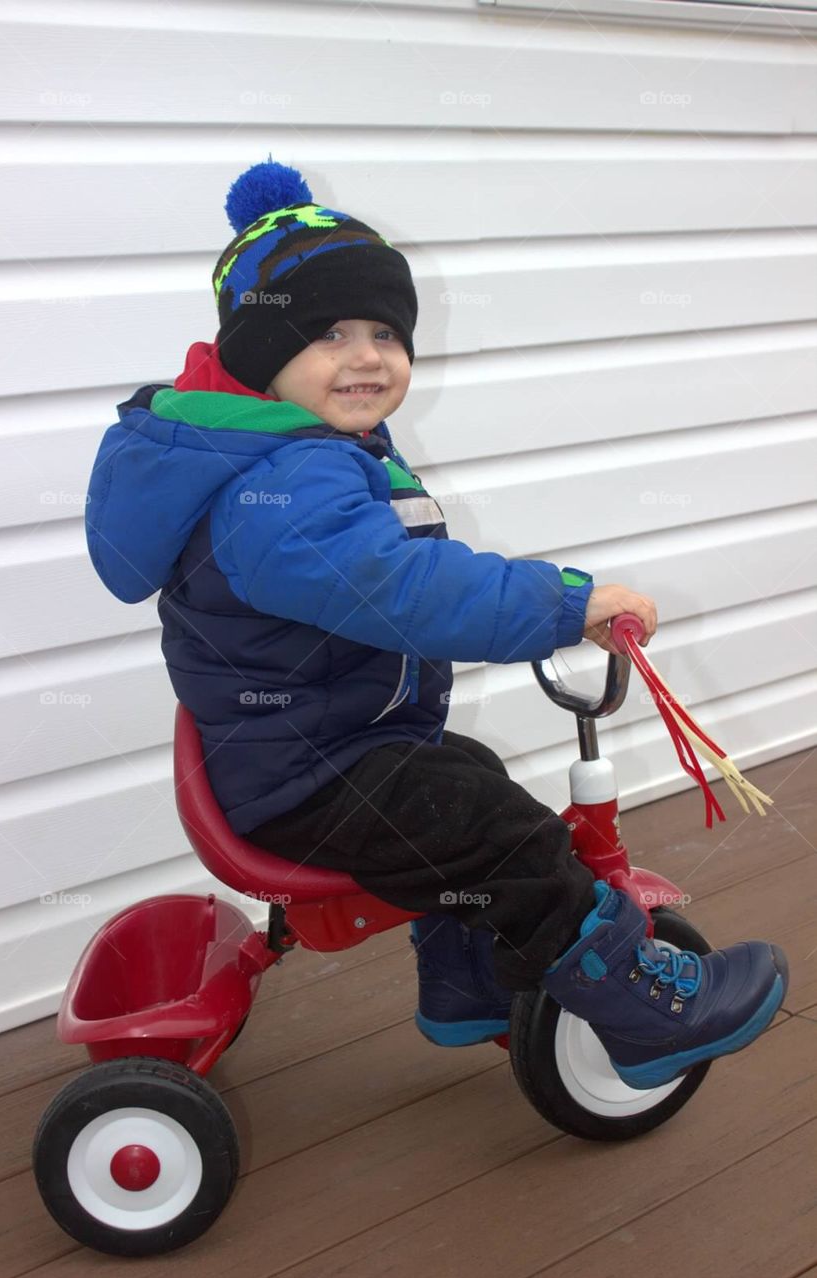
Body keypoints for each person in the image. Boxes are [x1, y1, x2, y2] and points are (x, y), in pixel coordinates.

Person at [85, 158, 787, 1090]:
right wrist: (563, 605)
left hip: (311, 747)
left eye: (386, 331)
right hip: (307, 776)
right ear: (258, 352)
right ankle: (643, 1012)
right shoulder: (281, 483)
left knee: (467, 777)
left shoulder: (288, 449)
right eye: (329, 332)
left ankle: (469, 984)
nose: (368, 356)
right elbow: (400, 589)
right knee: (499, 832)